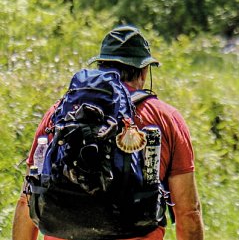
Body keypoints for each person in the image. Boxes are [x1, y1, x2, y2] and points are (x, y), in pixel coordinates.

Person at [12, 25, 204, 240]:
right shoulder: (166, 118)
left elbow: (26, 201)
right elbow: (188, 212)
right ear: (143, 72)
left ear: (101, 66)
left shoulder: (60, 113)